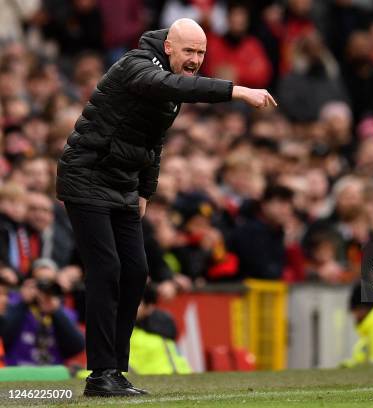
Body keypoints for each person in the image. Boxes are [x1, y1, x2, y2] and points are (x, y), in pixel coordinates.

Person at [55, 18, 276, 397]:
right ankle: (100, 373)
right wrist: (237, 91)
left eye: (202, 53)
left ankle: (114, 372)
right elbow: (169, 85)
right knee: (106, 269)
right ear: (169, 47)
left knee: (137, 271)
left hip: (124, 184)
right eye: (189, 51)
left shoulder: (171, 82)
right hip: (87, 174)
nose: (195, 59)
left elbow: (153, 142)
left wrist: (145, 191)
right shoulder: (138, 65)